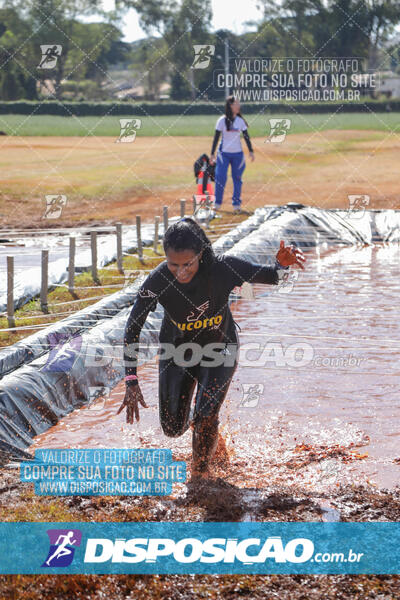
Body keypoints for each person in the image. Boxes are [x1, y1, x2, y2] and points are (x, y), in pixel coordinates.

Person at [118, 218, 305, 480]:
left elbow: (273, 277)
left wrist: (283, 265)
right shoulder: (158, 280)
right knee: (172, 428)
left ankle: (201, 474)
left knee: (206, 413)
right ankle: (207, 428)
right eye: (174, 265)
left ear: (201, 255)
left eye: (188, 264)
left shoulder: (224, 268)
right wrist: (131, 379)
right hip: (177, 352)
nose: (180, 272)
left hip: (220, 349)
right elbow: (132, 327)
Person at [210, 96, 254, 214]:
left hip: (237, 155)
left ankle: (236, 204)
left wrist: (251, 151)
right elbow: (216, 137)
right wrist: (212, 153)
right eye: (236, 104)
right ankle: (217, 203)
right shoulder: (221, 120)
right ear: (230, 106)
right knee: (220, 177)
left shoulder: (240, 121)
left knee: (237, 179)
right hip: (223, 154)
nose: (239, 106)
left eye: (239, 104)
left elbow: (246, 136)